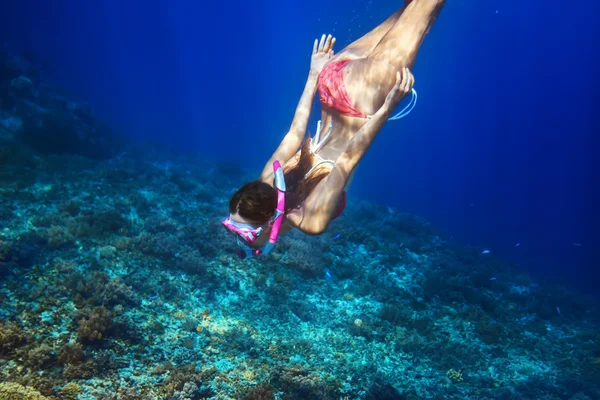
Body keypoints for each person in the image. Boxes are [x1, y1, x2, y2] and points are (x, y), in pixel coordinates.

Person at [222, 0, 445, 259]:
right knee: (415, 11)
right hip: (330, 82)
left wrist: (387, 108)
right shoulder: (267, 179)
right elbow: (295, 132)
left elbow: (348, 160)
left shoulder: (311, 220)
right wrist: (315, 75)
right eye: (239, 232)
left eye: (238, 231)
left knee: (425, 8)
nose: (240, 238)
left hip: (363, 96)